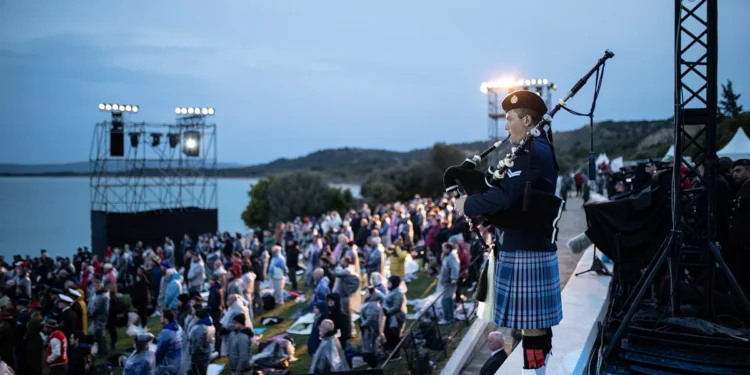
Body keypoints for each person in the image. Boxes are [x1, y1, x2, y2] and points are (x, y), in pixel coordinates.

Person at [457, 90, 562, 374]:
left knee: (533, 325)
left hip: (527, 247)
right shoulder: (531, 150)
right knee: (531, 325)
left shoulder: (533, 152)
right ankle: (538, 370)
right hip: (523, 242)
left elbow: (506, 196)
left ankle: (537, 372)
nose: (505, 126)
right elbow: (517, 202)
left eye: (510, 119)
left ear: (527, 120)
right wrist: (485, 215)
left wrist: (468, 204)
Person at [154, 310, 183, 375]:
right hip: (178, 361)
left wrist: (154, 363)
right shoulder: (178, 327)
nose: (160, 318)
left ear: (166, 319)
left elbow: (159, 351)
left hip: (168, 365)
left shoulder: (166, 332)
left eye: (161, 317)